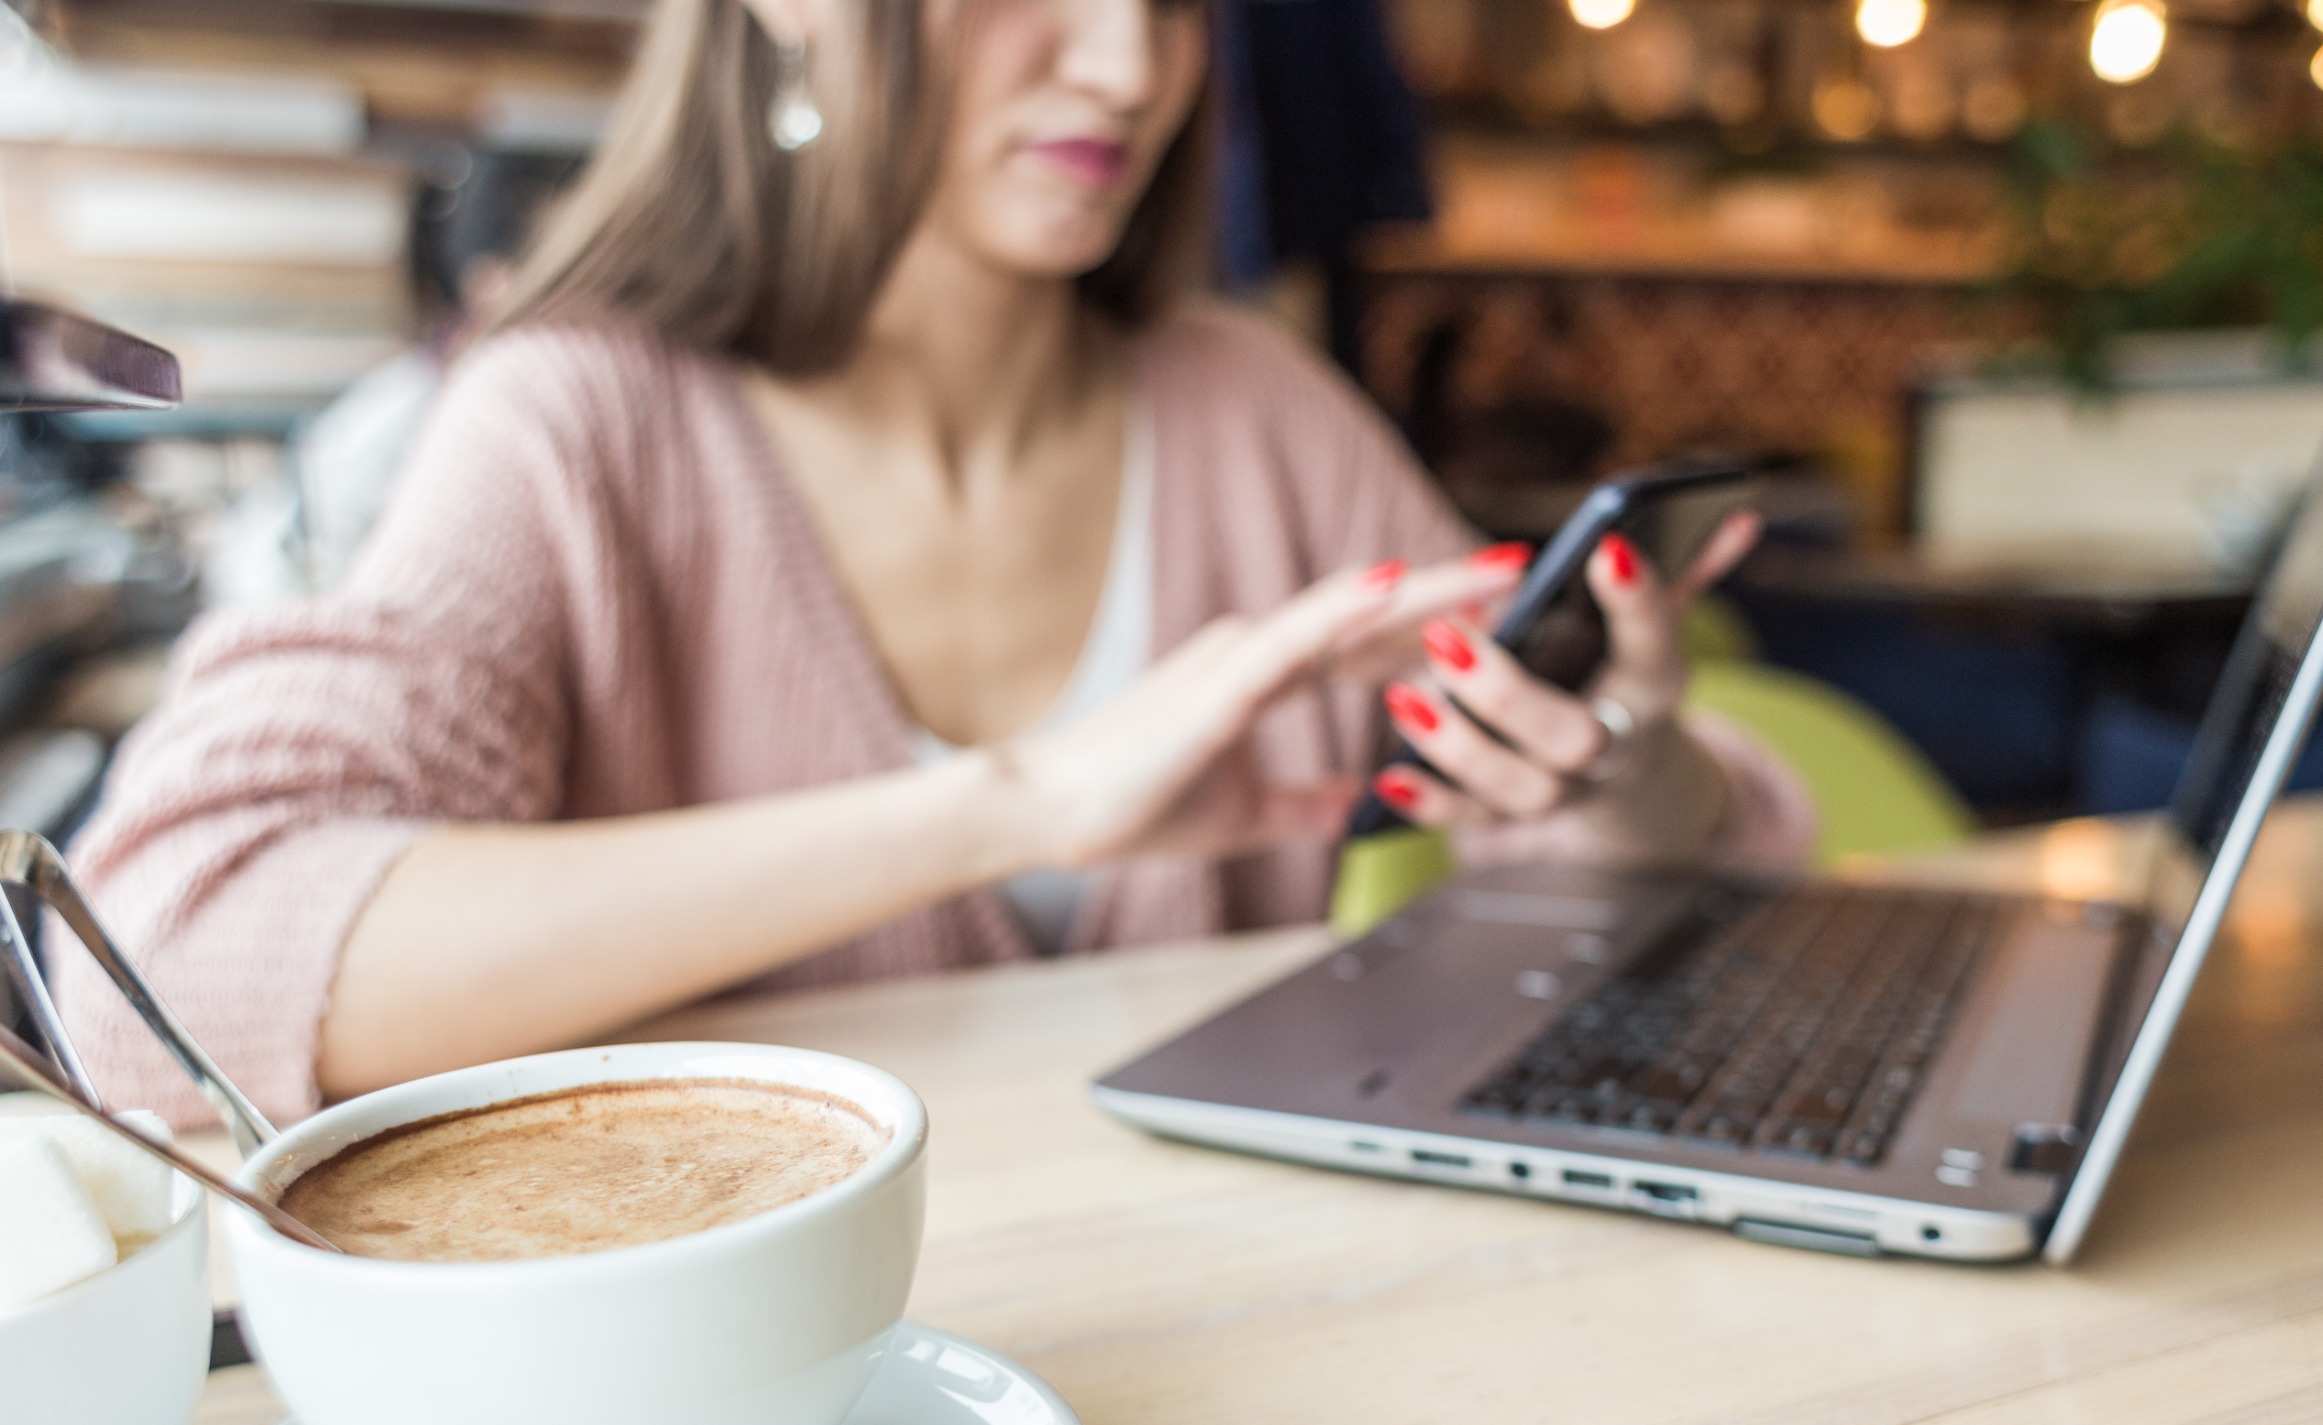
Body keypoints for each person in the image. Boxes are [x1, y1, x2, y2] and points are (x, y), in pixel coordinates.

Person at [57, 0, 1813, 1130]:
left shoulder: (1255, 410)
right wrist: (1011, 806)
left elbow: (1664, 860)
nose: (1130, 65)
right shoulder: (580, 429)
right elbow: (158, 953)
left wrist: (1619, 758)